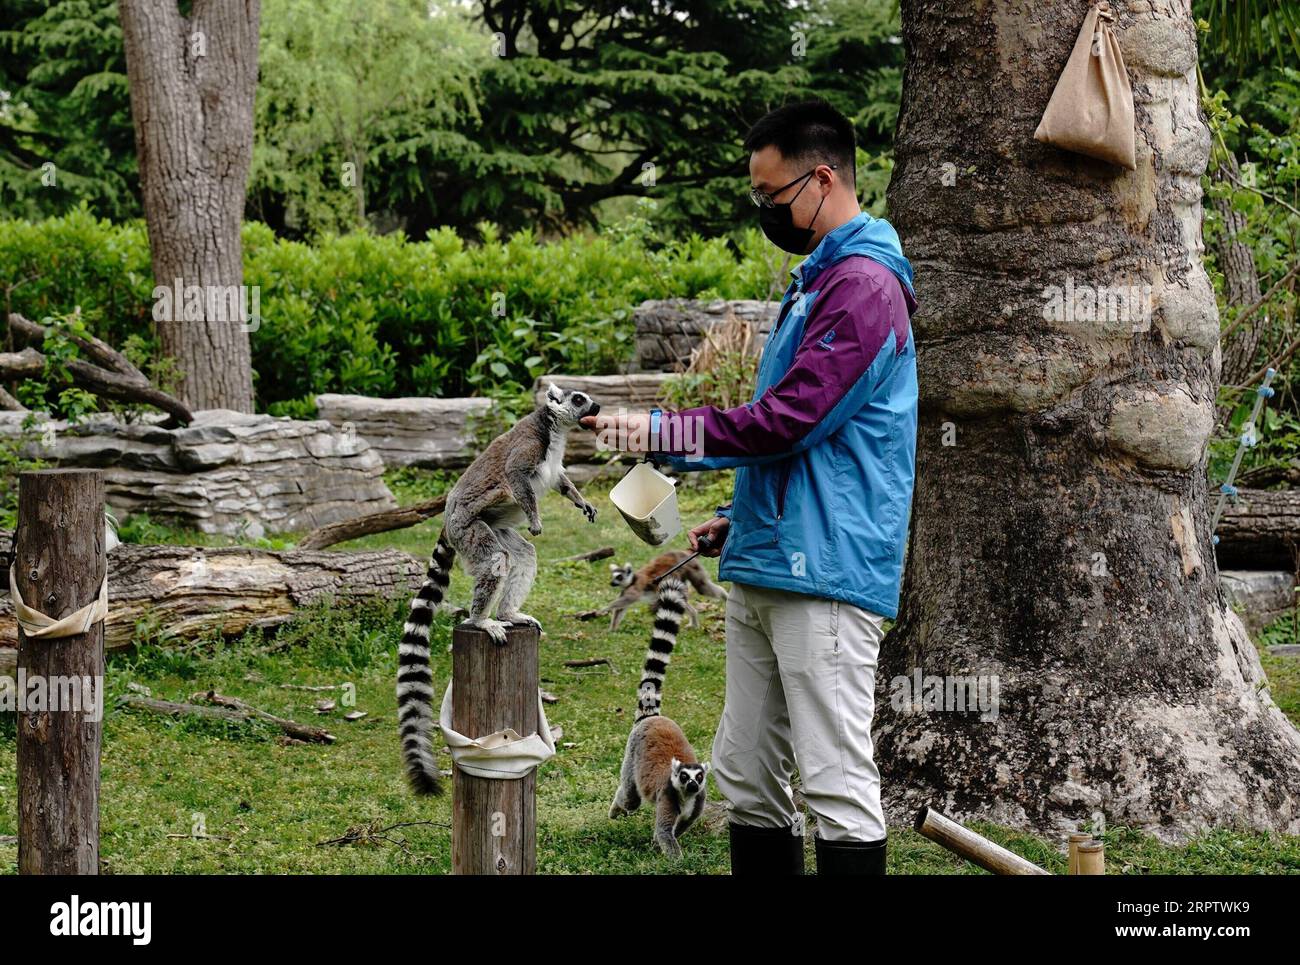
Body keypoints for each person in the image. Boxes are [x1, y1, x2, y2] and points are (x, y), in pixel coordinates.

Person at [584, 99, 917, 875]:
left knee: (835, 782)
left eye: (772, 196)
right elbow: (809, 444)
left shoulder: (865, 286)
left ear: (822, 178)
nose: (764, 210)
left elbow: (789, 420)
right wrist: (740, 515)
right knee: (749, 779)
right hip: (769, 560)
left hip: (826, 574)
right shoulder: (817, 283)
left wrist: (662, 434)